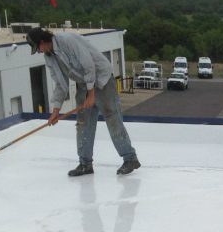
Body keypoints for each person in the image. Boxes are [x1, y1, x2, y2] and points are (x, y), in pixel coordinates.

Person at [27, 27, 141, 177]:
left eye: (38, 48)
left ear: (43, 41)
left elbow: (89, 65)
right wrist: (55, 111)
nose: (39, 52)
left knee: (111, 116)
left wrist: (91, 94)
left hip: (101, 78)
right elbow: (61, 84)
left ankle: (130, 158)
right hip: (83, 83)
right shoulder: (49, 57)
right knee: (83, 122)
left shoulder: (67, 41)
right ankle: (85, 164)